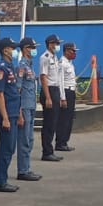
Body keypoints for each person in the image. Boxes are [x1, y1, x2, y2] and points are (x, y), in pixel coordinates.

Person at [0, 37, 21, 194]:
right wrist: (5, 118)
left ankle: (3, 179)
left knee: (10, 148)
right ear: (5, 50)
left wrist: (19, 114)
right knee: (5, 149)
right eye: (12, 48)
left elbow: (15, 92)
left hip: (13, 112)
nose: (15, 51)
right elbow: (0, 95)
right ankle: (0, 181)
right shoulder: (1, 69)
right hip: (7, 114)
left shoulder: (11, 67)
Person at [15, 37, 42, 183]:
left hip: (31, 105)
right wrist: (19, 112)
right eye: (32, 47)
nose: (34, 50)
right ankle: (22, 170)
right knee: (24, 139)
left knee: (30, 139)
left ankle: (26, 167)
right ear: (26, 49)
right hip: (24, 107)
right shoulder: (21, 66)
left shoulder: (30, 66)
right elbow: (17, 90)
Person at [39, 34, 64, 162]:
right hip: (48, 90)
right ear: (50, 44)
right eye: (56, 43)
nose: (57, 46)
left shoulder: (55, 57)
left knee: (54, 122)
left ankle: (50, 150)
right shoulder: (45, 57)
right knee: (49, 123)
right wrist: (48, 97)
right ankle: (47, 152)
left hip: (55, 90)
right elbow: (43, 77)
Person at [55, 41, 79, 151]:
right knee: (63, 119)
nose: (74, 53)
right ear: (66, 51)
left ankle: (65, 141)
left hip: (71, 92)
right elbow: (60, 81)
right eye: (73, 51)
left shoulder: (70, 63)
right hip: (66, 92)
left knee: (69, 119)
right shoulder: (62, 63)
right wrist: (63, 98)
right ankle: (60, 142)